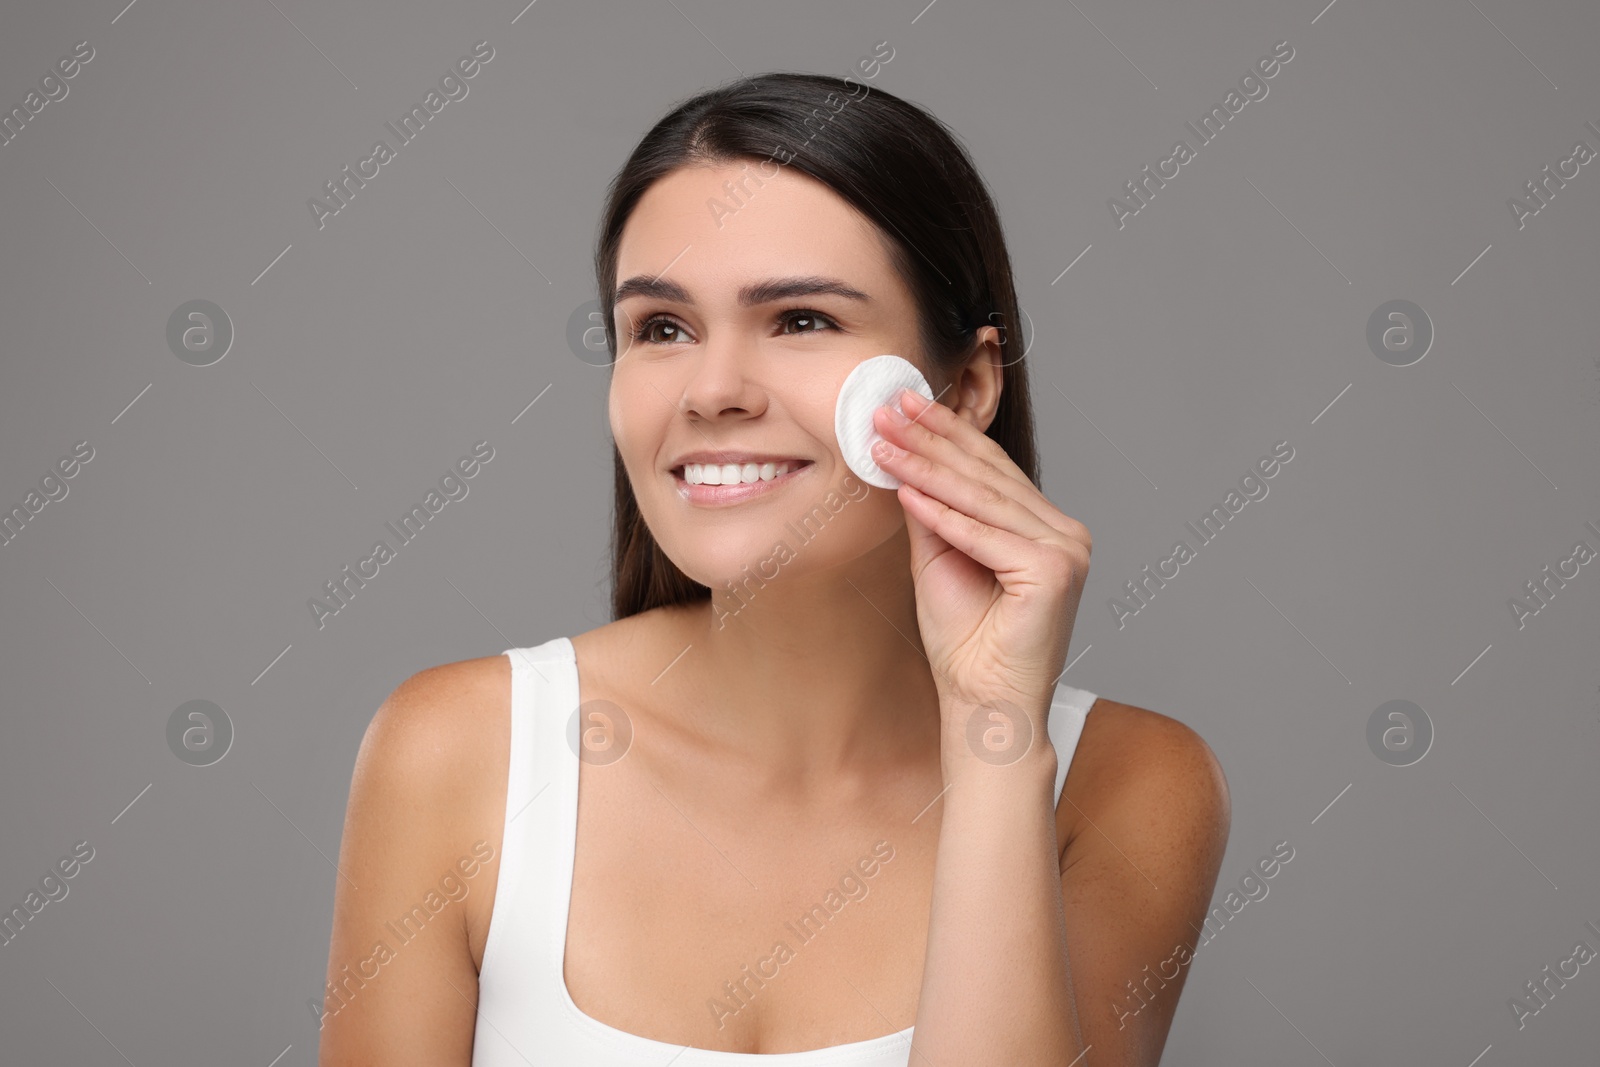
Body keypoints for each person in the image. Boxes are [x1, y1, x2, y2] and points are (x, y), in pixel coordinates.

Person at [319, 70, 1230, 1066]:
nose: (711, 390)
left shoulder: (1131, 785)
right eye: (660, 328)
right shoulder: (455, 753)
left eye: (800, 319)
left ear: (964, 387)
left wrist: (991, 735)